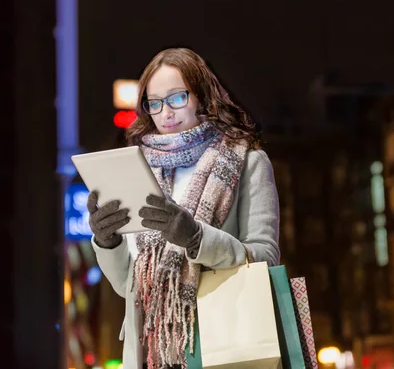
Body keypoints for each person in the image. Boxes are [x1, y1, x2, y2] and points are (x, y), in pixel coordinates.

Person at [87, 47, 281, 368]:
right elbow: (128, 286)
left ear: (202, 97)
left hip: (223, 341)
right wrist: (108, 242)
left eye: (177, 98)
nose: (166, 113)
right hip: (152, 352)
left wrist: (195, 238)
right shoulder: (140, 168)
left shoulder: (247, 161)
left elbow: (264, 256)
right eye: (155, 103)